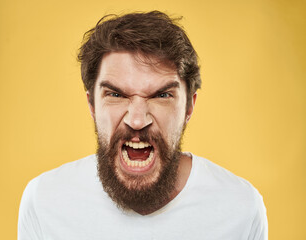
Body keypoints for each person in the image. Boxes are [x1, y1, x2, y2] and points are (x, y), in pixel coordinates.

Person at [18, 11, 268, 239]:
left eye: (161, 95)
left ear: (189, 107)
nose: (137, 120)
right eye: (116, 95)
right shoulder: (44, 202)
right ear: (92, 105)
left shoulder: (241, 209)